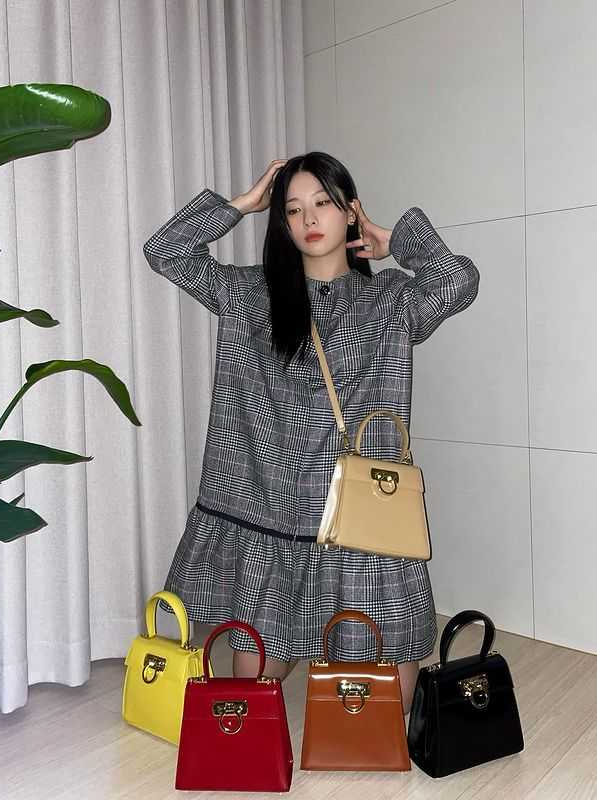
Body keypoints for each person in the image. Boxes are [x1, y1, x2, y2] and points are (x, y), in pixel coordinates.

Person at [143, 152, 479, 711]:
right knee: (248, 690)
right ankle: (292, 651)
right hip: (267, 514)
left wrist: (396, 239)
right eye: (293, 209)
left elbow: (458, 280)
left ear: (349, 211)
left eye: (323, 202)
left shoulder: (391, 301)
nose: (309, 219)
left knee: (390, 707)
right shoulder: (249, 295)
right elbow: (166, 250)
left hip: (359, 521)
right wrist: (242, 204)